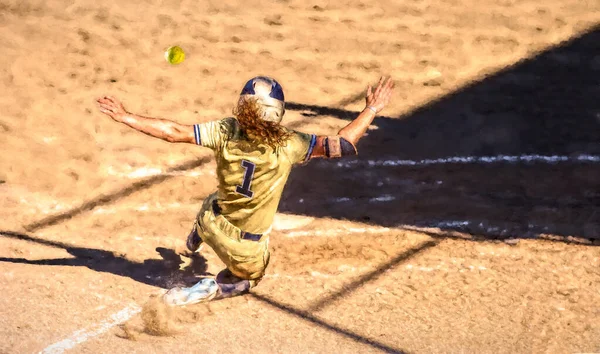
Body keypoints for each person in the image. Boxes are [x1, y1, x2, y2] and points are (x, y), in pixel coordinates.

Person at [96, 75, 395, 305]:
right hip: (244, 249)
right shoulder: (290, 143)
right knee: (249, 279)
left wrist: (126, 116)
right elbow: (343, 144)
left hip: (214, 219)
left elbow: (174, 133)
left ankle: (198, 233)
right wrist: (371, 108)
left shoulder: (226, 130)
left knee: (215, 199)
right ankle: (210, 289)